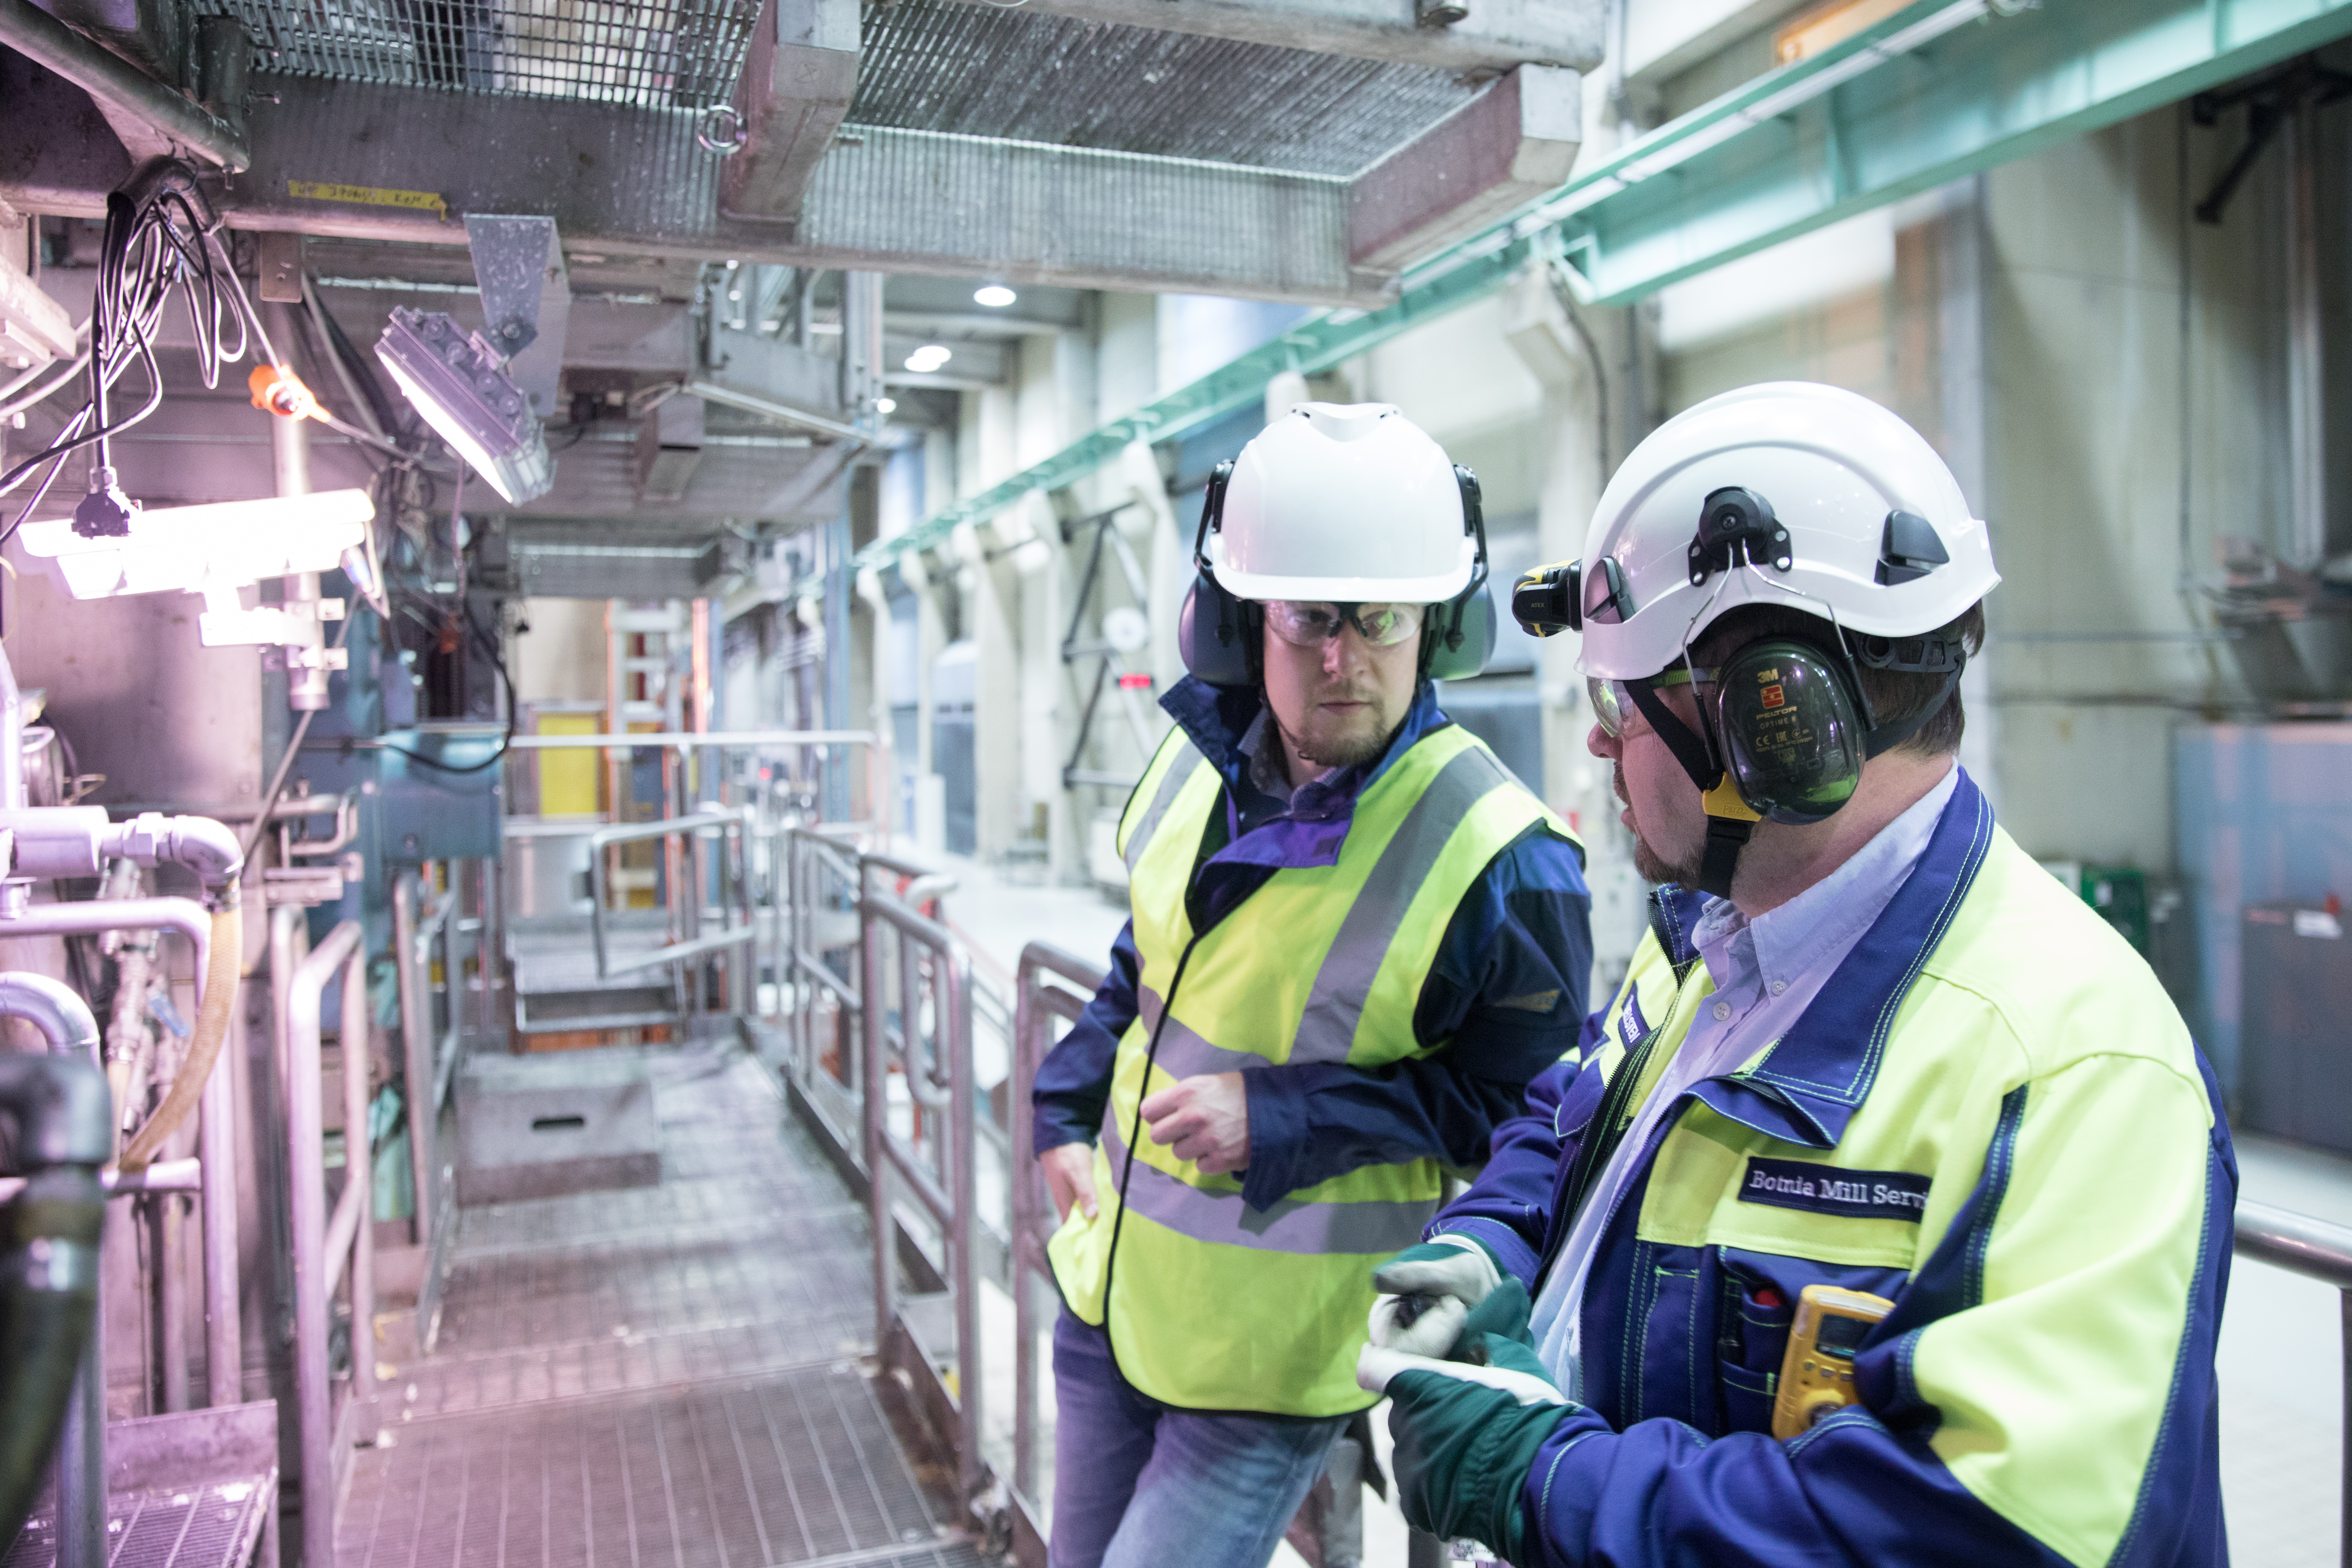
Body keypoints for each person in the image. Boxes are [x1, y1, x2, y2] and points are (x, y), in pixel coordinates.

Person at [1357, 381, 2232, 1567]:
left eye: (1623, 699)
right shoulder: (1722, 946)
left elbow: (1976, 1535)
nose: (1599, 740)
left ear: (1775, 729)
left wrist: (1544, 1481)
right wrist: (1498, 1242)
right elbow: (1584, 1120)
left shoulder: (2075, 1069)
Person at [1032, 403, 1595, 1568]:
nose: (1344, 658)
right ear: (1240, 623)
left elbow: (1531, 1121)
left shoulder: (1502, 856)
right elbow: (1147, 963)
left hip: (1270, 1364)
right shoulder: (1193, 770)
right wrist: (1061, 1109)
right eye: (1308, 617)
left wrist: (1285, 1117)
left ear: (1438, 626)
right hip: (1110, 1297)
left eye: (1382, 619)